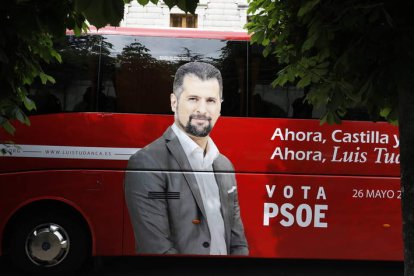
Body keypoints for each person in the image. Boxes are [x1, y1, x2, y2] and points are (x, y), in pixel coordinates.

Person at [124, 62, 249, 256]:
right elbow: (157, 249)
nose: (202, 110)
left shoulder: (225, 165)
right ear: (174, 102)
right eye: (193, 99)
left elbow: (238, 242)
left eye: (210, 100)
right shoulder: (147, 163)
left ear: (220, 107)